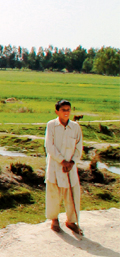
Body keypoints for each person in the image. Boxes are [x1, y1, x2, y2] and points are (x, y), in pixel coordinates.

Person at [44, 99, 83, 235]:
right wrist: (62, 161)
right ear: (57, 111)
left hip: (70, 167)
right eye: (63, 110)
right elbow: (50, 146)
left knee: (72, 193)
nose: (66, 112)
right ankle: (54, 219)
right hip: (56, 165)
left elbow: (79, 147)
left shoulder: (75, 127)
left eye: (68, 110)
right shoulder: (51, 125)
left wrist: (72, 162)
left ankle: (71, 221)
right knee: (53, 193)